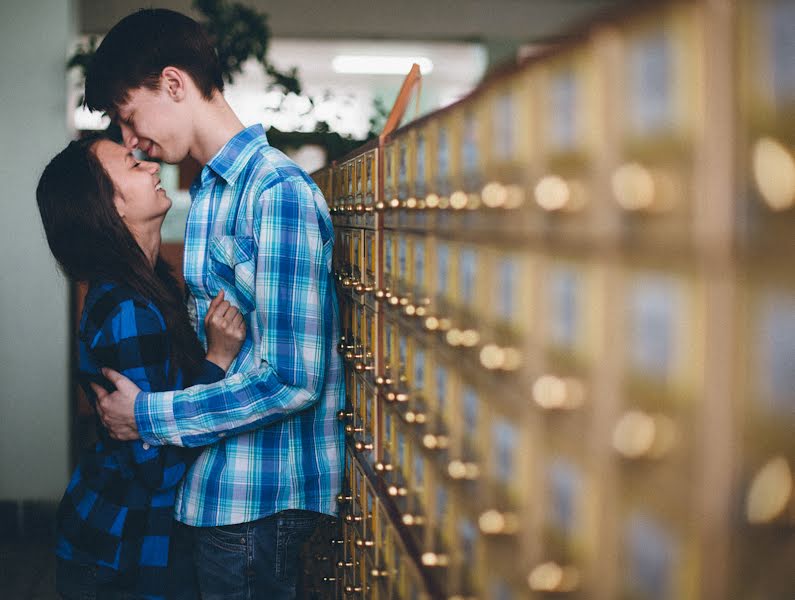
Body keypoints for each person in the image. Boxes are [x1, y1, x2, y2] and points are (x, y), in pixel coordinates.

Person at [84, 9, 346, 599]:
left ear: (173, 84)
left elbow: (290, 380)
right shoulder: (209, 193)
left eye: (130, 118)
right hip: (219, 501)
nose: (131, 142)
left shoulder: (277, 193)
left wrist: (148, 416)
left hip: (258, 508)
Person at [36, 134, 247, 599]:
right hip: (115, 548)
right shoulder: (128, 309)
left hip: (116, 537)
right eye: (133, 165)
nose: (152, 167)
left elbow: (160, 421)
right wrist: (218, 359)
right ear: (109, 210)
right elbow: (160, 469)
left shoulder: (150, 288)